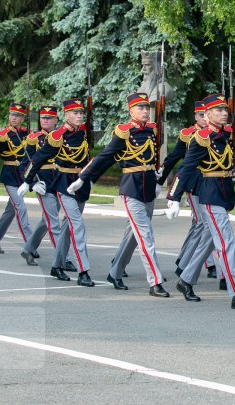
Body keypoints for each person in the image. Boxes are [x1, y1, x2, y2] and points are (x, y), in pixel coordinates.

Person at [70, 92, 170, 297]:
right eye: (140, 108)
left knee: (134, 235)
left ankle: (115, 271)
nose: (145, 111)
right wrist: (84, 177)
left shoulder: (151, 131)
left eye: (147, 108)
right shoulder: (125, 132)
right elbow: (106, 156)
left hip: (148, 188)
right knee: (146, 236)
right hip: (131, 189)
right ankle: (155, 282)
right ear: (130, 111)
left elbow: (151, 158)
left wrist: (157, 177)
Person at [166, 93, 235, 311]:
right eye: (218, 110)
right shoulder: (201, 138)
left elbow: (225, 161)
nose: (224, 113)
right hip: (209, 194)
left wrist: (232, 169)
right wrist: (174, 197)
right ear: (206, 115)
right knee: (227, 243)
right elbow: (186, 168)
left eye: (225, 110)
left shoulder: (222, 135)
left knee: (209, 240)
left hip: (223, 193)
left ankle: (186, 280)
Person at [19, 98, 94, 287]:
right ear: (66, 115)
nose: (79, 116)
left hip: (80, 184)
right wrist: (28, 181)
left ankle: (57, 266)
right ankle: (83, 271)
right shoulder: (57, 136)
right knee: (77, 225)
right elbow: (37, 158)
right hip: (63, 185)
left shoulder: (83, 131)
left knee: (68, 228)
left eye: (81, 113)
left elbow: (88, 157)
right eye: (74, 113)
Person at [157, 101, 217, 279]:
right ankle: (187, 265)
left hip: (209, 183)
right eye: (200, 115)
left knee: (201, 224)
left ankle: (189, 259)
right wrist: (160, 181)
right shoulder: (188, 134)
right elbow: (175, 158)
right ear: (196, 116)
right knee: (202, 223)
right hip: (192, 182)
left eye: (206, 114)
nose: (204, 118)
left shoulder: (217, 134)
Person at [19, 105, 76, 271]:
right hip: (42, 184)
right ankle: (63, 258)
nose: (45, 120)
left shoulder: (61, 136)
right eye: (43, 118)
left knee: (46, 221)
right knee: (54, 223)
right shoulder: (33, 139)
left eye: (49, 118)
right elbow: (26, 164)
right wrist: (32, 183)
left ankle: (29, 248)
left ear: (56, 120)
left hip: (58, 181)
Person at [0, 103, 33, 254]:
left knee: (11, 210)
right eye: (12, 115)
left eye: (17, 116)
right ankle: (30, 245)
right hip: (9, 174)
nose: (14, 118)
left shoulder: (27, 134)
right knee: (20, 207)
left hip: (22, 175)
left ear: (23, 118)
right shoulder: (3, 135)